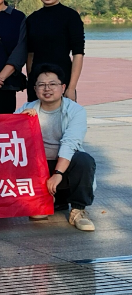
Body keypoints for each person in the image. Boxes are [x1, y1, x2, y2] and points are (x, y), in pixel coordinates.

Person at [17, 64, 96, 232]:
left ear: (63, 87)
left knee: (84, 160)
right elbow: (6, 137)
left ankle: (78, 209)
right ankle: (46, 199)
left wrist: (58, 174)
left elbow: (70, 143)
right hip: (38, 169)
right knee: (38, 216)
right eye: (41, 85)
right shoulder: (26, 109)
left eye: (52, 84)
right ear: (35, 89)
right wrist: (20, 123)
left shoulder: (75, 111)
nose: (47, 89)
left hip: (62, 169)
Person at [26, 0, 84, 102]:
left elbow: (78, 54)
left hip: (62, 80)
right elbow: (30, 55)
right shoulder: (32, 19)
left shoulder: (71, 17)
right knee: (35, 115)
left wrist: (71, 88)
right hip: (38, 82)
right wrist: (32, 82)